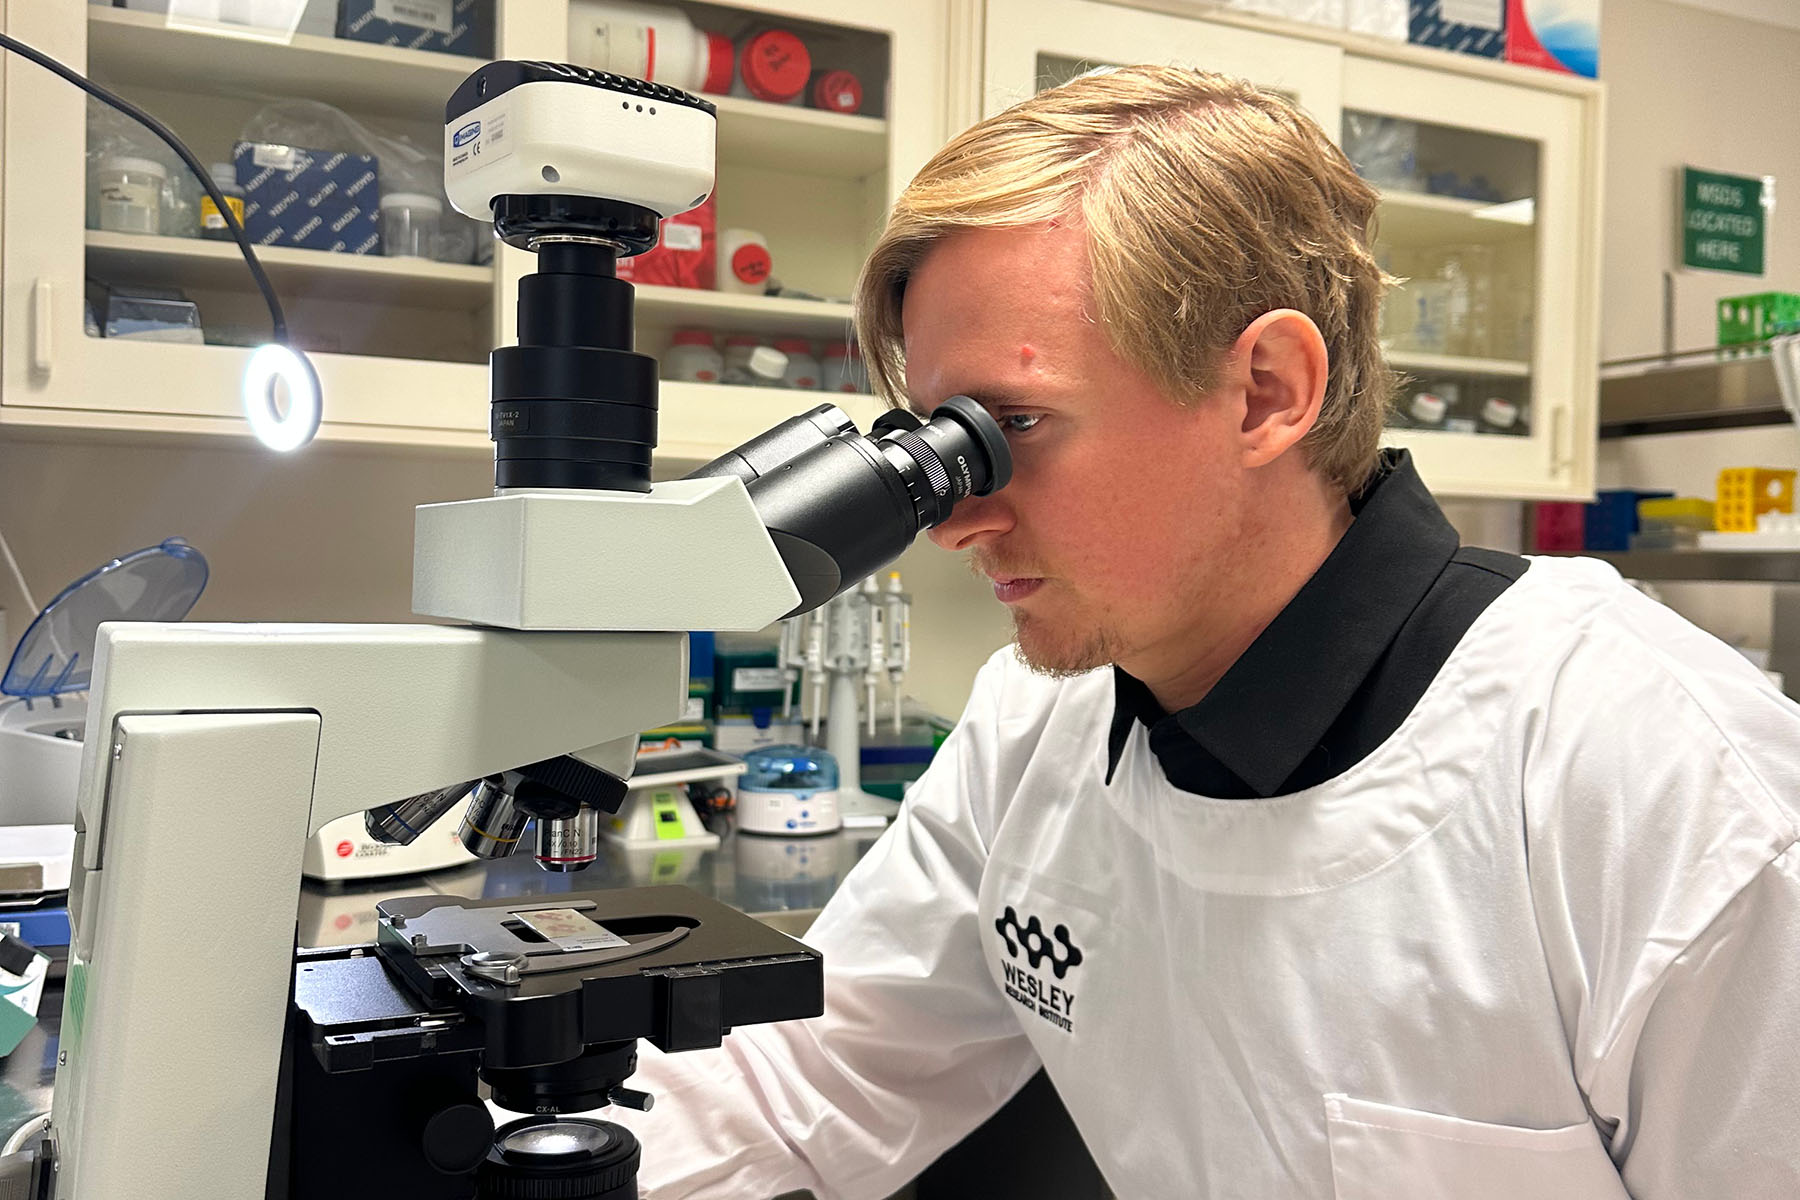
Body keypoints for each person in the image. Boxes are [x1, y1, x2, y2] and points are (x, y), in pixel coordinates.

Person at [630, 66, 1800, 1198]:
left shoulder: (1663, 783)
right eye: (938, 437)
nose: (955, 519)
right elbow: (805, 1085)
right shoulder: (1037, 724)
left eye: (1015, 425)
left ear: (1267, 392)